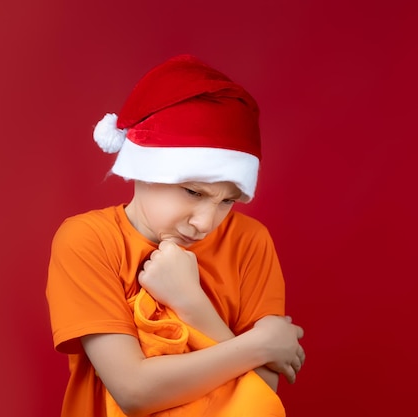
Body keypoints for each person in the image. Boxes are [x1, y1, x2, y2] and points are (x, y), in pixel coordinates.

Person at [46, 54, 305, 417]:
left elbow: (263, 392)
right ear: (144, 171)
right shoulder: (88, 240)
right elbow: (134, 391)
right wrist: (259, 346)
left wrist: (190, 304)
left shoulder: (250, 241)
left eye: (227, 201)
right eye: (194, 192)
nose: (205, 222)